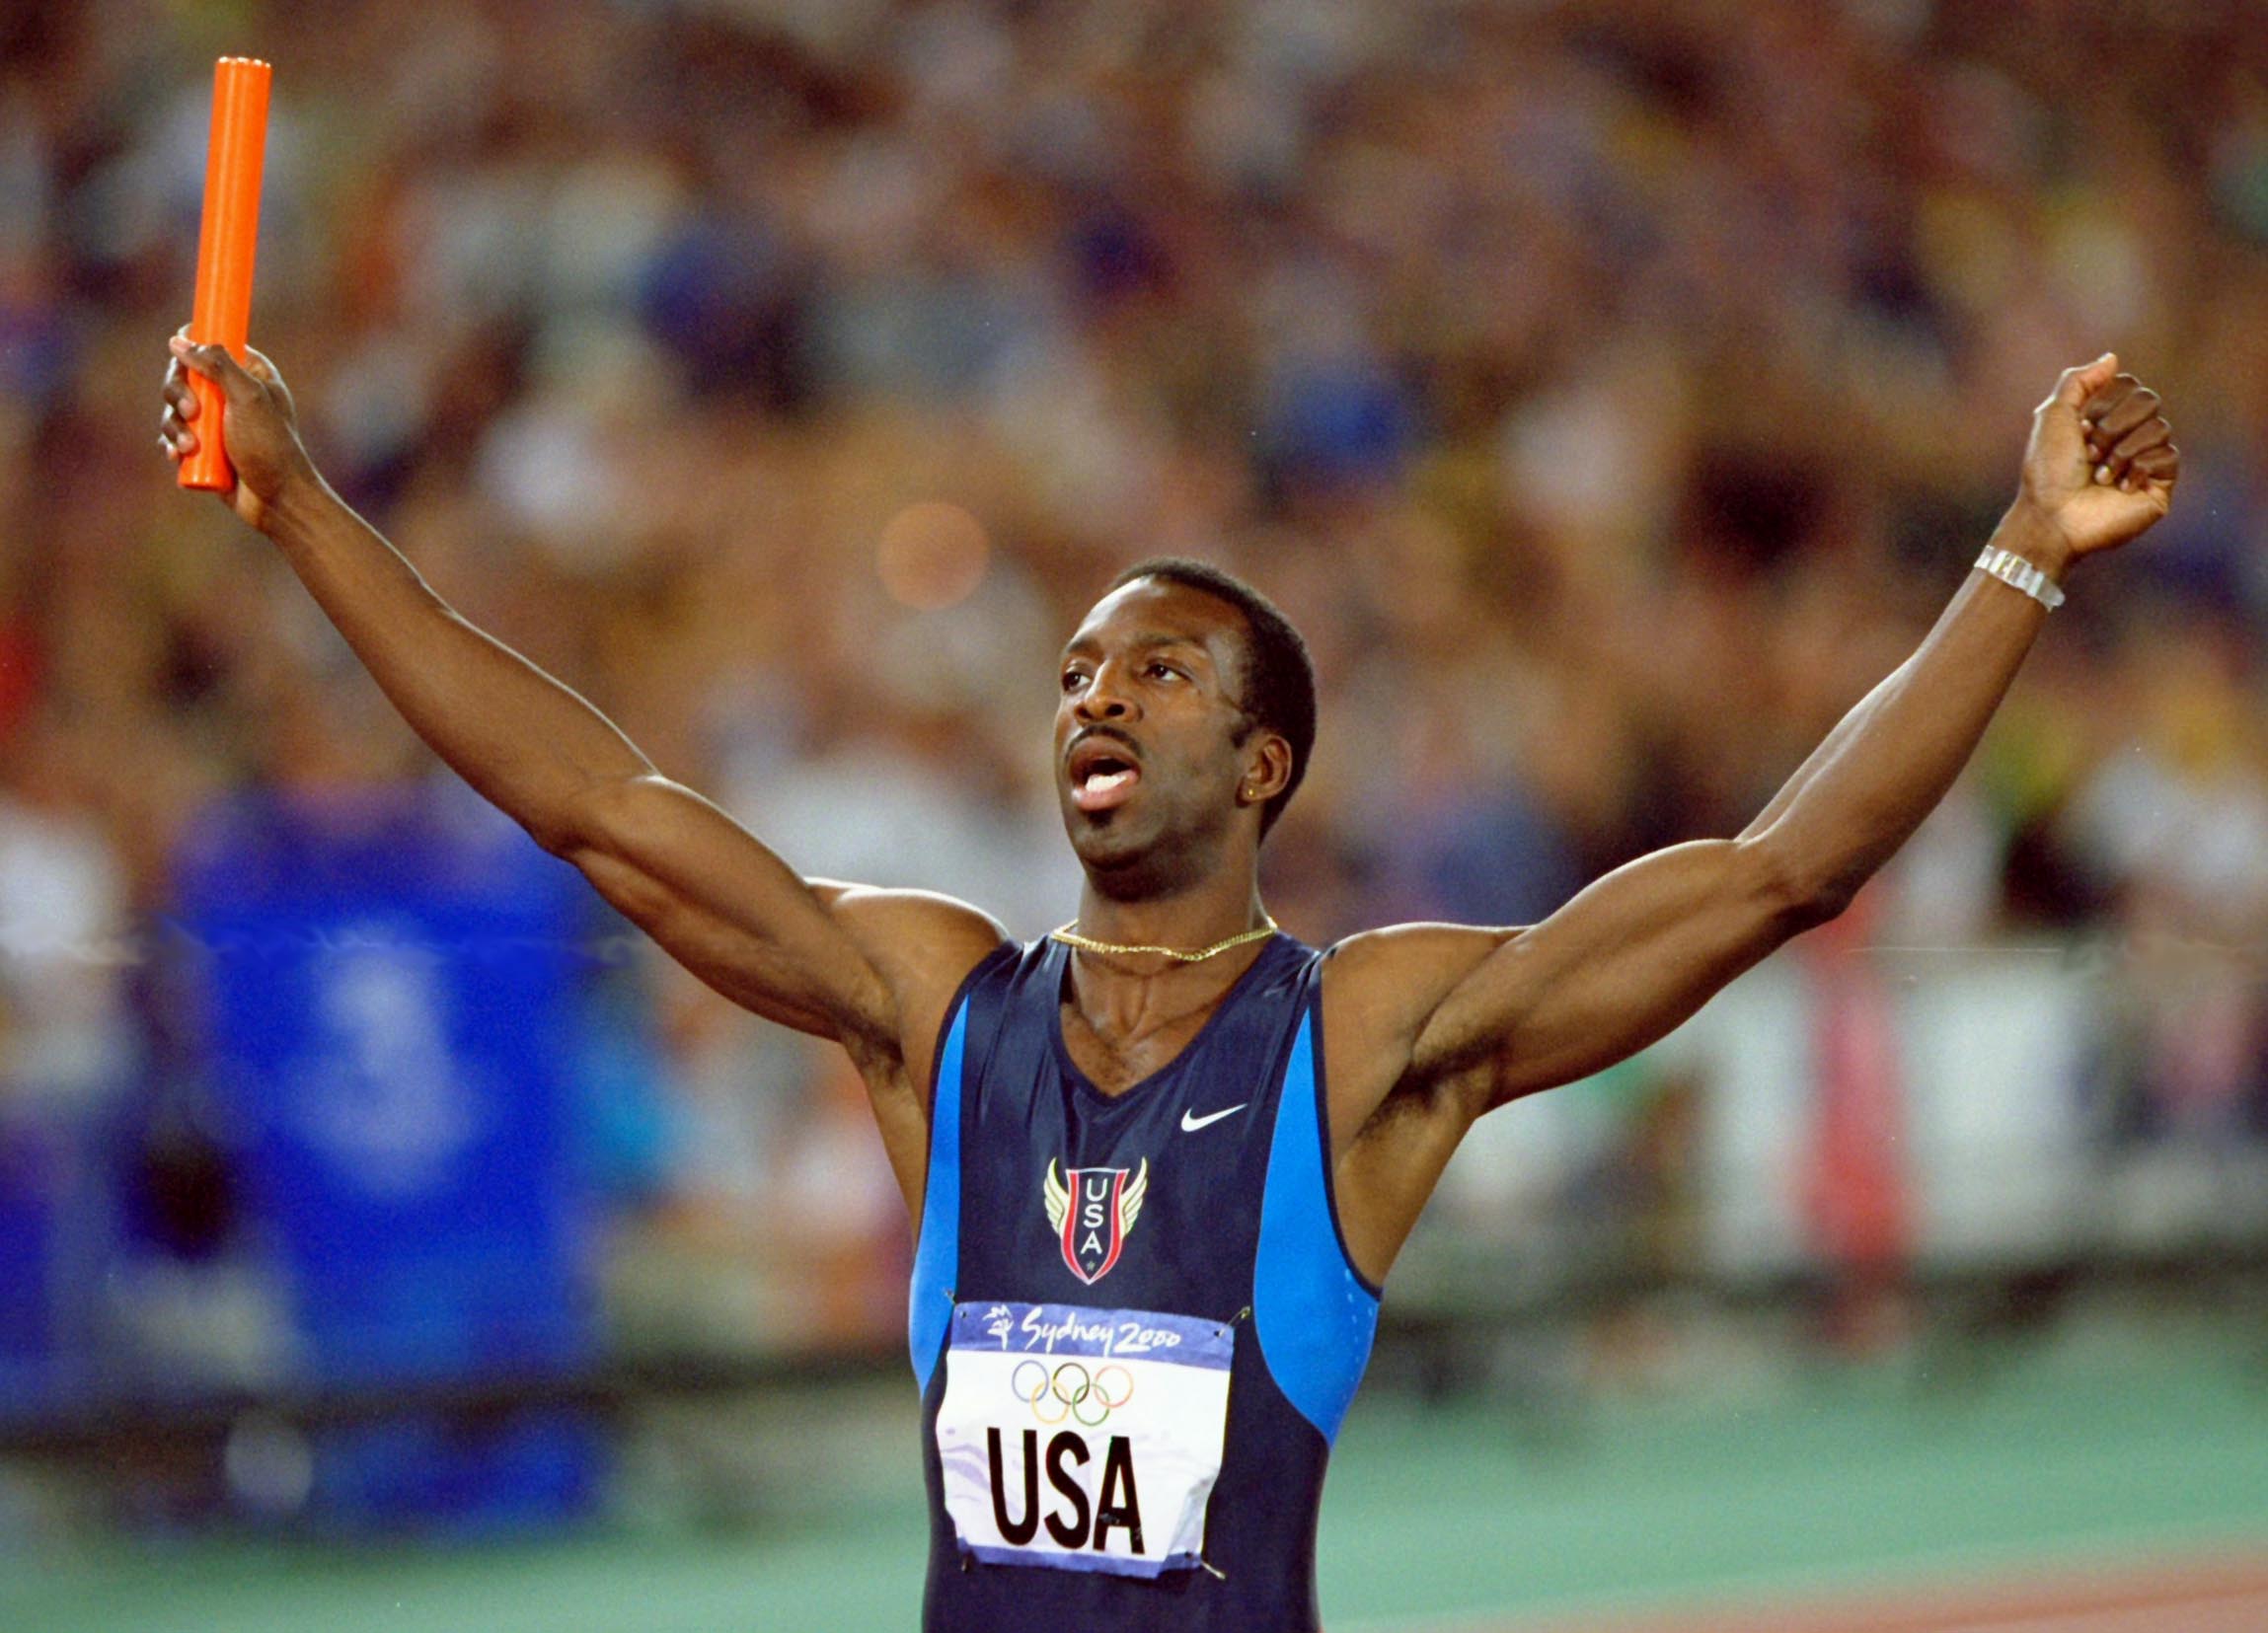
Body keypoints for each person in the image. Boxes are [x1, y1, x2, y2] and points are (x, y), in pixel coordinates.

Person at [159, 334, 2176, 1629]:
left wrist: (2019, 550)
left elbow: (1777, 874)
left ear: (1263, 763)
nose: (1094, 695)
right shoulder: (933, 1007)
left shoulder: (1370, 1039)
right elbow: (596, 805)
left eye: (1158, 670)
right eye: (1072, 674)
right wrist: (304, 509)